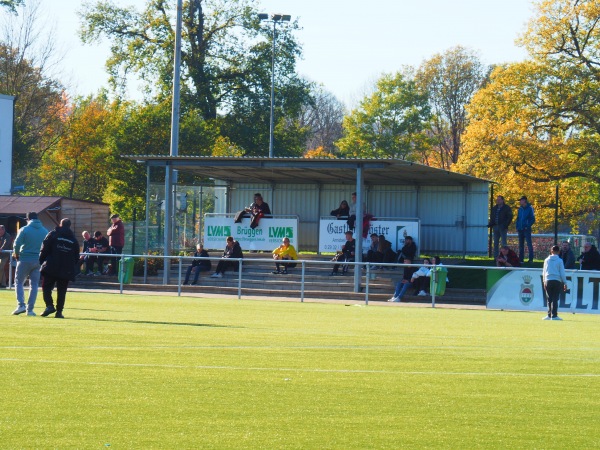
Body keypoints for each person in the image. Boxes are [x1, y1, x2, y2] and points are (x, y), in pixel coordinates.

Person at [39, 218, 80, 319]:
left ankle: (49, 305)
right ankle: (59, 312)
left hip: (51, 266)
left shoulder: (53, 234)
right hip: (66, 269)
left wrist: (41, 261)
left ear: (61, 224)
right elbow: (76, 256)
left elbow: (44, 248)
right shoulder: (73, 239)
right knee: (62, 291)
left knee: (46, 287)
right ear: (69, 226)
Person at [12, 212, 48, 316]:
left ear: (28, 219)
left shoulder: (24, 229)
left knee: (19, 282)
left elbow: (17, 243)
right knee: (34, 285)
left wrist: (16, 254)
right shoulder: (44, 231)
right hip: (38, 260)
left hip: (24, 258)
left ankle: (21, 305)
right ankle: (30, 309)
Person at [542, 245, 567, 321]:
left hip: (548, 280)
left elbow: (544, 271)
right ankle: (554, 315)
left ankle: (549, 315)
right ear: (559, 252)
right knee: (555, 298)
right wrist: (565, 282)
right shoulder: (559, 260)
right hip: (557, 281)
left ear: (551, 251)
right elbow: (562, 272)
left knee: (549, 298)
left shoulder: (547, 260)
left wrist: (544, 281)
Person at [516, 195, 535, 263]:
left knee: (529, 244)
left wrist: (527, 225)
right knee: (521, 245)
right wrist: (517, 226)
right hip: (520, 229)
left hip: (526, 229)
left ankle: (530, 259)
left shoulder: (530, 208)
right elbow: (518, 218)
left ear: (524, 200)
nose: (520, 201)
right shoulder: (520, 209)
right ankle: (521, 259)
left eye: (521, 200)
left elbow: (532, 219)